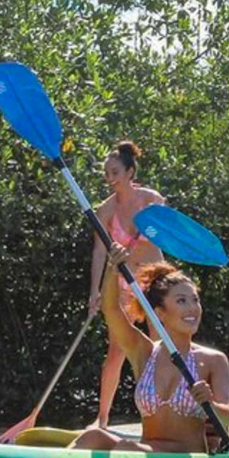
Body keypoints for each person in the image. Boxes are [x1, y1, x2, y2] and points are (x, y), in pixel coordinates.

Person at [70, 242, 229, 453]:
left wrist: (208, 402)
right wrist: (112, 269)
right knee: (94, 436)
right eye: (182, 301)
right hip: (146, 451)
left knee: (127, 448)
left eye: (195, 300)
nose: (193, 307)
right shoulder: (145, 353)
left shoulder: (214, 360)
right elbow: (111, 309)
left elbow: (226, 417)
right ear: (160, 313)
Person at [87, 140, 165, 428]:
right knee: (116, 351)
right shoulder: (104, 211)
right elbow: (99, 252)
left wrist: (152, 224)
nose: (110, 178)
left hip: (155, 281)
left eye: (115, 171)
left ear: (130, 171)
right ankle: (102, 419)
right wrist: (95, 291)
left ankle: (162, 415)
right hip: (122, 283)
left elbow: (165, 234)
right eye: (106, 173)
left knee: (160, 346)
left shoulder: (152, 200)